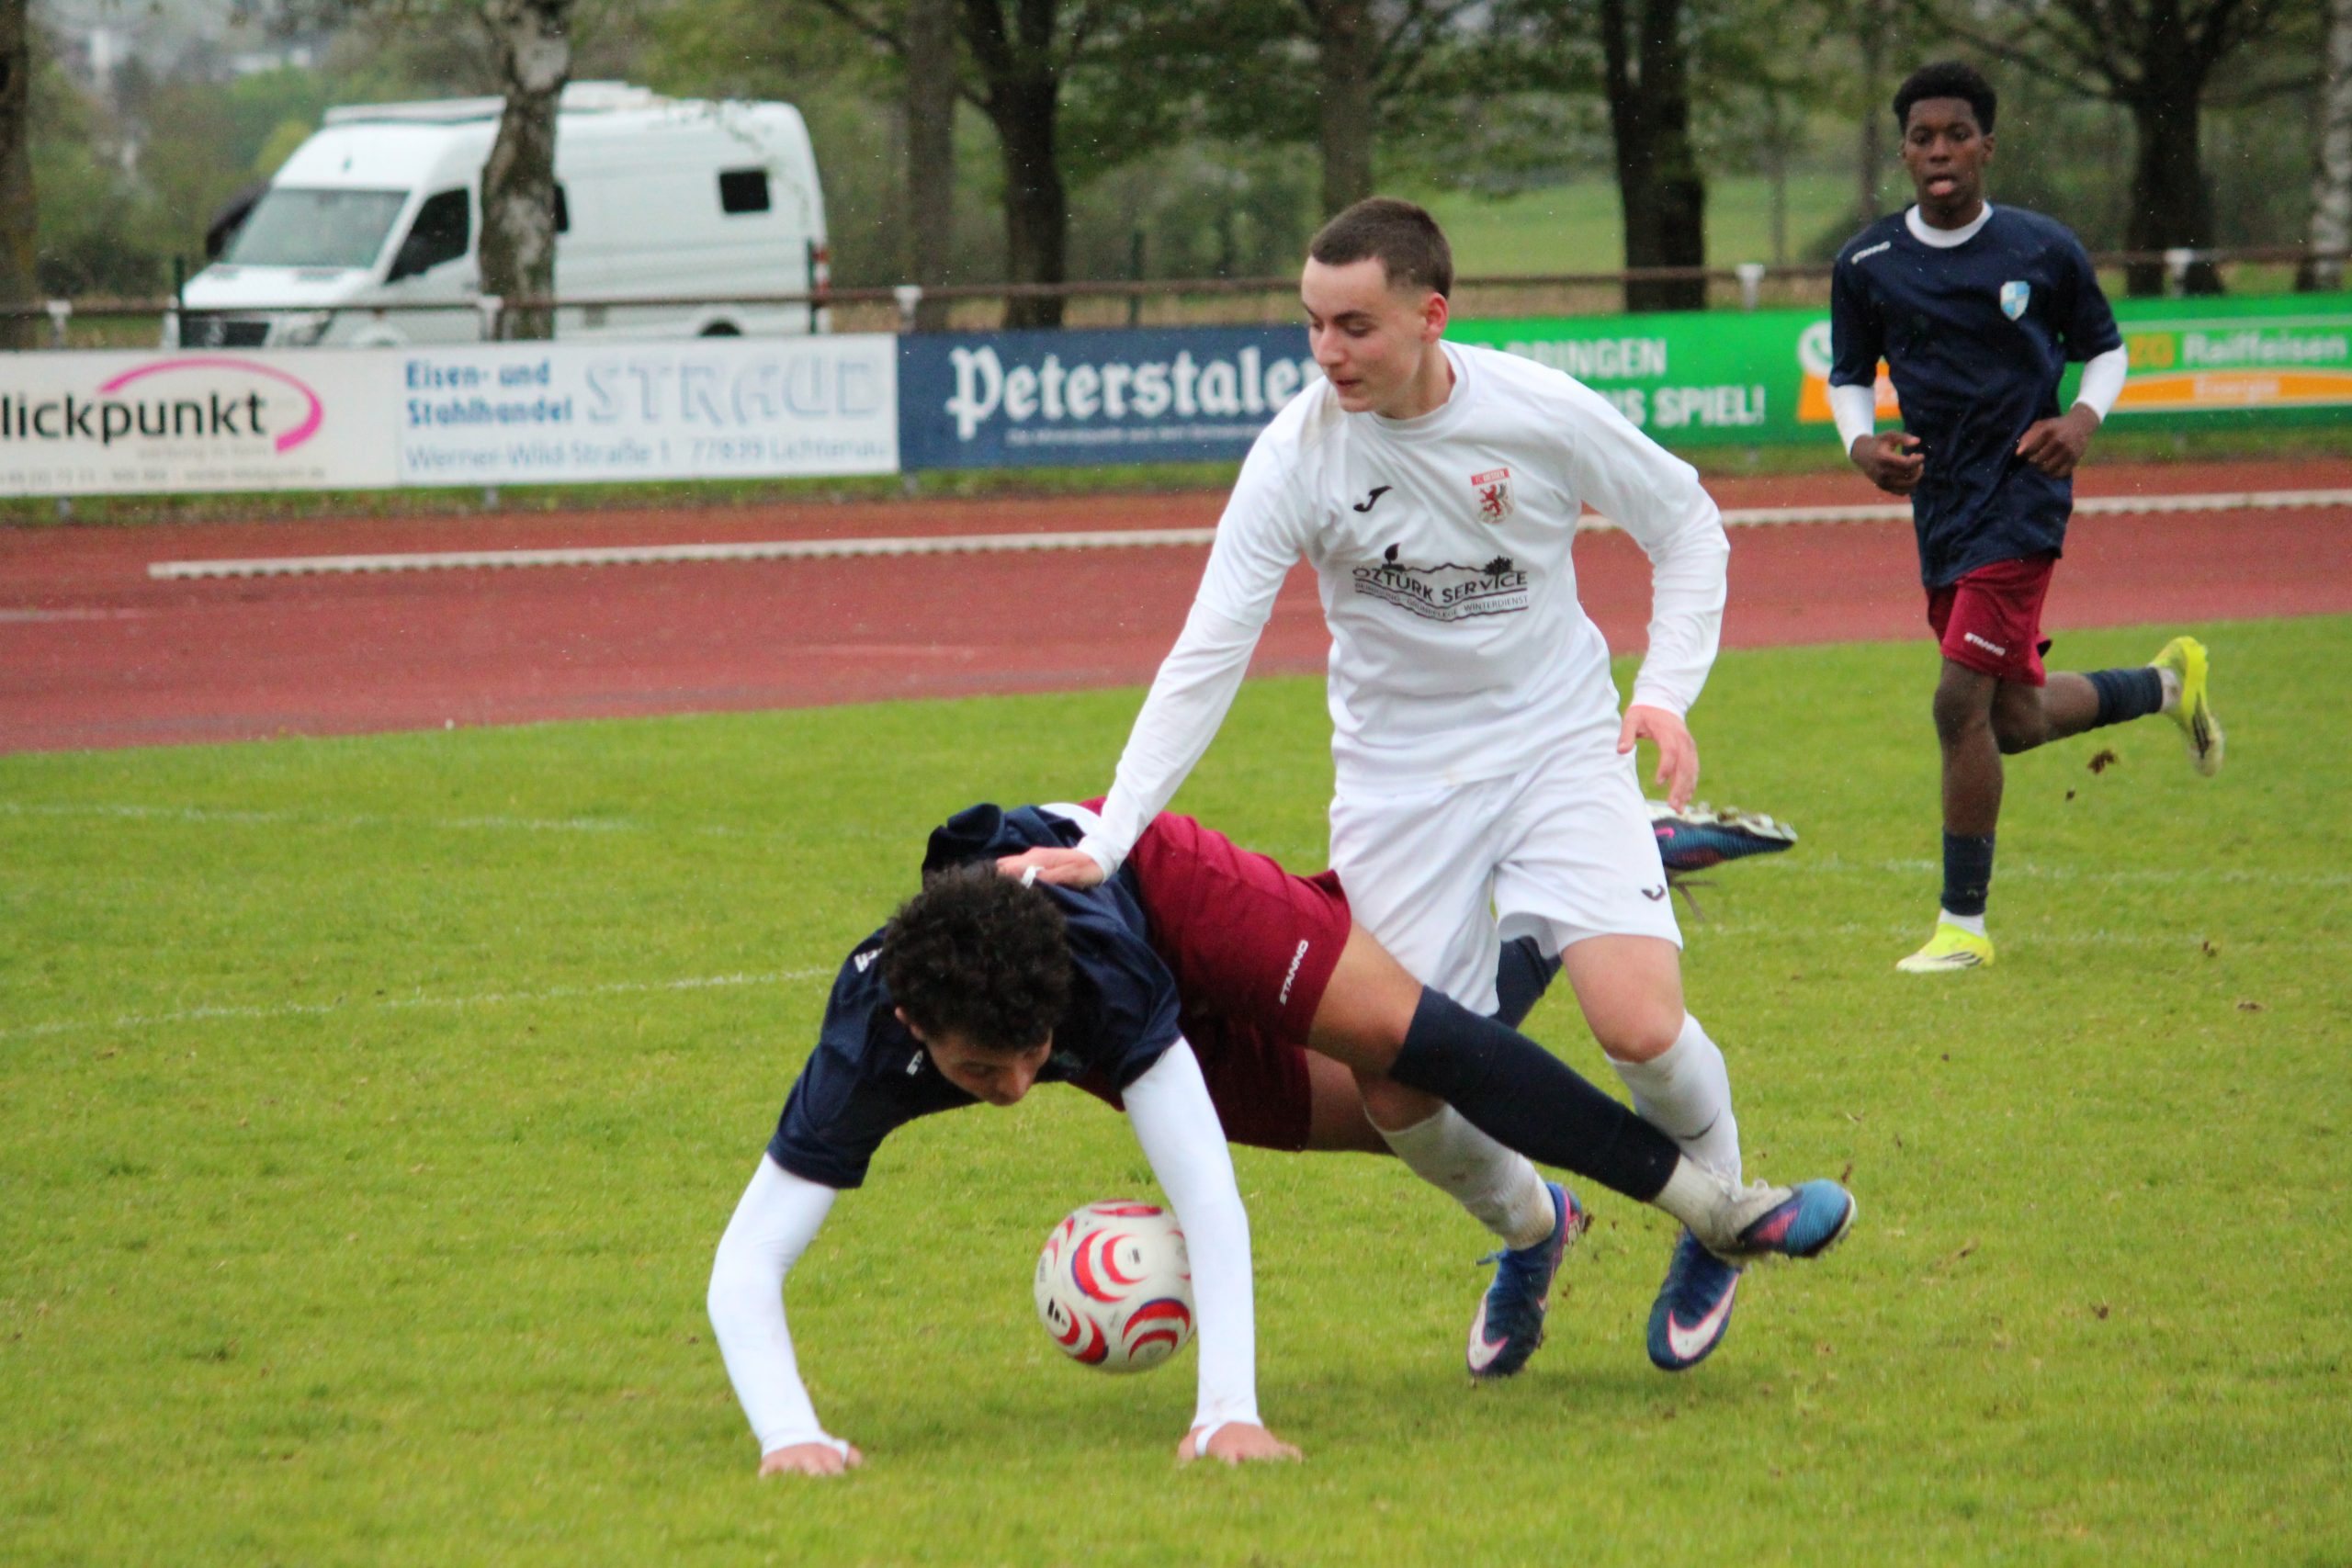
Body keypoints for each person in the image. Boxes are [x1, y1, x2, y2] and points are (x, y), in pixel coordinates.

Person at [995, 197, 1811, 1373]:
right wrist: (1112, 835)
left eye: (1355, 327)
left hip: (1557, 747)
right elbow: (1209, 649)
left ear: (1432, 315)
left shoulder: (1536, 412)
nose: (1326, 353)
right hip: (1397, 785)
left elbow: (1686, 524)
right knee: (1398, 1092)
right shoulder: (1296, 453)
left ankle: (1718, 1218)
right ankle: (1532, 1231)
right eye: (1312, 324)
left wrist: (1666, 690)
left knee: (1637, 1024)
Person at [707, 802, 1855, 1474]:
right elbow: (746, 1264)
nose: (1013, 1091)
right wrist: (786, 1436)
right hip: (1102, 980)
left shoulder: (1092, 982)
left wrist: (1226, 1414)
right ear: (915, 1029)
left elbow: (1206, 1199)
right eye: (979, 1073)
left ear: (1056, 1014)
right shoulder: (865, 1049)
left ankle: (1707, 1188)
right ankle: (1539, 1220)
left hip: (1156, 887)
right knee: (1393, 1114)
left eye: (1030, 1058)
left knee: (1417, 1039)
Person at [1828, 60, 2223, 976]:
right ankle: (2167, 688)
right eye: (1922, 138)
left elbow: (2106, 351)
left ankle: (1961, 928)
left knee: (1954, 704)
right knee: (2013, 719)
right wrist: (1859, 445)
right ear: (1903, 152)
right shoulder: (1867, 263)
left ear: (1986, 147)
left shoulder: (2041, 249)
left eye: (1956, 135)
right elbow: (1849, 373)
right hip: (1941, 510)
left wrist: (2081, 420)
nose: (1939, 151)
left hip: (2022, 501)